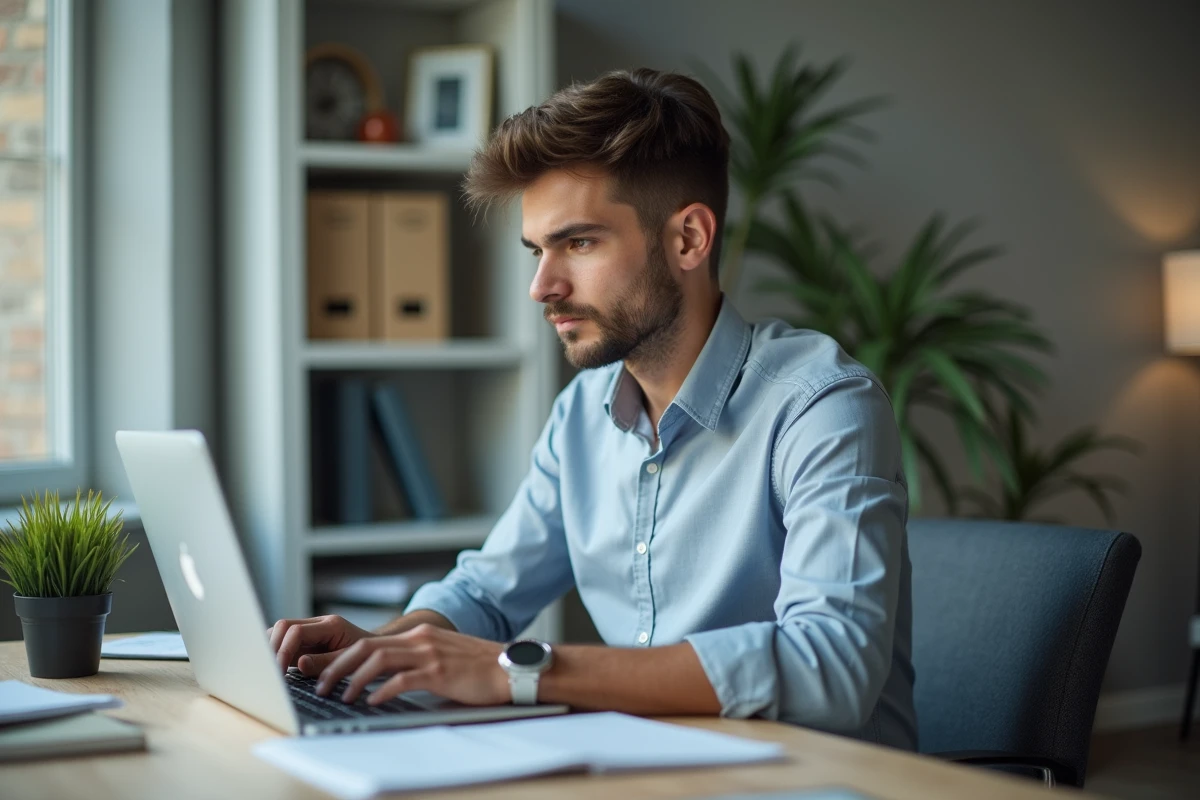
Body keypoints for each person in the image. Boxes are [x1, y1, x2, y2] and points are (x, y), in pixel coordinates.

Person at [270, 67, 917, 750]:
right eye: (537, 250)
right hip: (644, 771)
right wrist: (379, 649)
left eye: (578, 243)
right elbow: (487, 594)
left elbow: (833, 668)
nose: (542, 286)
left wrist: (519, 672)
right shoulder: (581, 414)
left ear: (689, 239)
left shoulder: (821, 406)